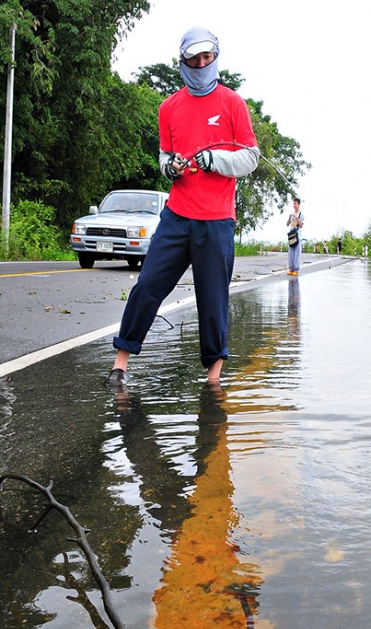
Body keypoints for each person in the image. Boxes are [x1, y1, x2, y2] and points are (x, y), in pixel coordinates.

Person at [105, 26, 259, 388]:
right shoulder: (168, 107)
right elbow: (163, 155)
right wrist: (168, 166)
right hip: (176, 217)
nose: (201, 63)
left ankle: (213, 378)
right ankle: (120, 364)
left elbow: (250, 157)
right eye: (194, 57)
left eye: (207, 57)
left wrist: (215, 159)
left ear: (216, 58)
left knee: (213, 301)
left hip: (217, 221)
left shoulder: (232, 103)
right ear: (183, 60)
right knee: (147, 286)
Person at [286, 197, 304, 275]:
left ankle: (296, 270)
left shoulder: (301, 214)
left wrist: (297, 218)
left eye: (295, 204)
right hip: (291, 235)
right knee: (291, 253)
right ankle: (291, 268)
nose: (294, 205)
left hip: (298, 236)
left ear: (299, 204)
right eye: (293, 203)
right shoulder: (292, 214)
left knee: (297, 253)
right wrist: (290, 217)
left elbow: (301, 225)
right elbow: (287, 224)